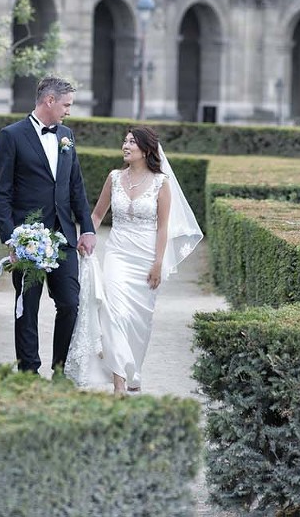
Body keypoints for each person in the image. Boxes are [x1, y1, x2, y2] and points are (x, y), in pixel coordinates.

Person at [65, 127, 203, 394]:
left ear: (146, 150)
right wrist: (85, 237)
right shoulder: (114, 178)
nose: (126, 146)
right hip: (117, 253)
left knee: (138, 321)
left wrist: (158, 263)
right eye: (125, 141)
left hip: (146, 255)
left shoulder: (162, 183)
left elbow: (163, 228)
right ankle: (119, 382)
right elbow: (96, 215)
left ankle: (132, 371)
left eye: (132, 142)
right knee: (115, 314)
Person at [0, 76, 96, 376]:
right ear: (49, 101)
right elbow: (1, 193)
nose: (68, 111)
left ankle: (60, 369)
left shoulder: (66, 136)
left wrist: (86, 228)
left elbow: (76, 187)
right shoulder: (11, 136)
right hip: (28, 239)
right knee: (28, 307)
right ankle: (29, 370)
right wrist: (12, 238)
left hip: (63, 236)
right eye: (66, 105)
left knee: (69, 303)